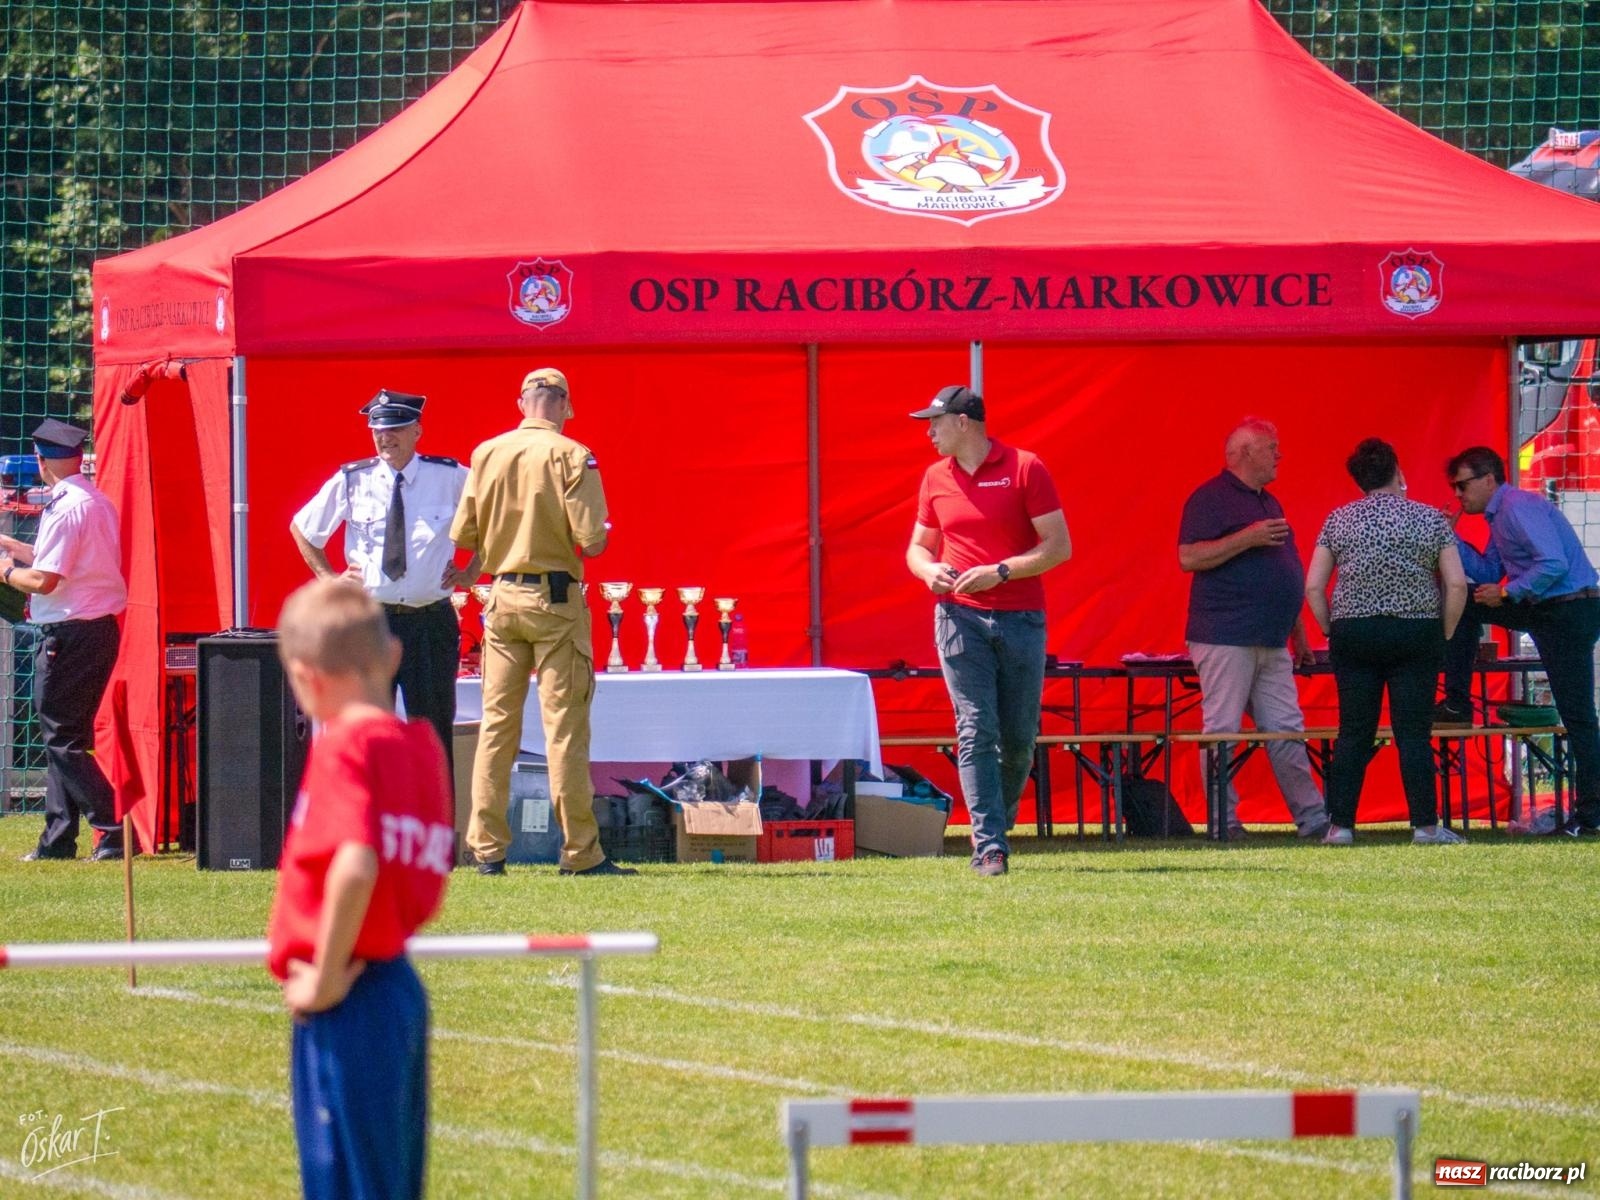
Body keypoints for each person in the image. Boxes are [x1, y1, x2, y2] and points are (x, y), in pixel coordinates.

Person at [267, 578, 452, 1200]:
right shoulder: (423, 747)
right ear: (393, 656)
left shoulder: (343, 746)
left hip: (348, 995)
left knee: (344, 1182)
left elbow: (357, 863)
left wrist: (325, 976)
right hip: (397, 986)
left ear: (306, 678)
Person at [449, 367, 632, 876]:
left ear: (521, 403)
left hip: (501, 598)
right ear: (565, 405)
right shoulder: (573, 455)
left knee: (496, 729)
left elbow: (464, 534)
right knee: (564, 730)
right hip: (555, 603)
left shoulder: (486, 453)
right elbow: (592, 540)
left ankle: (487, 850)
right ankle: (580, 852)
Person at [905, 384, 1071, 876]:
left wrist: (1001, 571)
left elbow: (1058, 546)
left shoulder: (1026, 467)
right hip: (957, 616)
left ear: (964, 422)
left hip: (1021, 617)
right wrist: (927, 571)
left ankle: (997, 817)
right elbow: (918, 548)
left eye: (935, 422)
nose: (929, 433)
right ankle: (989, 845)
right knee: (975, 727)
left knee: (1019, 738)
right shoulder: (934, 477)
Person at [291, 389, 473, 779]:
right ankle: (369, 815)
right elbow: (304, 528)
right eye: (378, 430)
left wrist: (474, 570)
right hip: (371, 623)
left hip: (429, 622)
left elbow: (496, 517)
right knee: (366, 729)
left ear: (417, 431)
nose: (385, 438)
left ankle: (434, 817)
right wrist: (330, 579)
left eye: (396, 429)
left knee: (433, 732)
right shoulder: (353, 480)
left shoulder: (450, 477)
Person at [1304, 438, 1469, 844]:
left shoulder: (1338, 520)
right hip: (1415, 631)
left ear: (1360, 480)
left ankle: (1340, 826)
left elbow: (1313, 587)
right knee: (1413, 732)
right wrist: (1445, 632)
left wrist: (1330, 628)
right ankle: (1425, 826)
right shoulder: (1430, 519)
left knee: (1353, 731)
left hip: (1354, 632)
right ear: (1397, 470)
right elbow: (1456, 584)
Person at [1177, 417, 1330, 840]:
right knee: (1223, 730)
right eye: (1271, 448)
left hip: (1271, 638)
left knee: (1286, 728)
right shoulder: (1209, 498)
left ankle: (1313, 819)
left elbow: (1283, 570)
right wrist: (1248, 537)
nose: (1280, 455)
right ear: (1244, 452)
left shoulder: (1269, 502)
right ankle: (1222, 822)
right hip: (1225, 634)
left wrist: (1298, 633)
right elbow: (1188, 557)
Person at [1439, 446, 1600, 837]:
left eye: (1462, 486)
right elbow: (1488, 572)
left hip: (1568, 608)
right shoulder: (1500, 515)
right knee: (1464, 601)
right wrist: (1449, 538)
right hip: (1548, 608)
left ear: (1488, 479)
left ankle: (1592, 814)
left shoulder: (1516, 507)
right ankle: (1457, 702)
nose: (1458, 495)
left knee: (1578, 716)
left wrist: (1508, 593)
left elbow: (1553, 564)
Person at [1, 418, 128, 863]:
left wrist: (5, 571)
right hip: (92, 629)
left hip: (70, 633)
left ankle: (113, 824)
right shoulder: (92, 501)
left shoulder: (66, 507)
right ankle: (58, 839)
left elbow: (45, 580)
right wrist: (14, 548)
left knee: (61, 738)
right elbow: (61, 562)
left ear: (41, 461)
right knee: (65, 735)